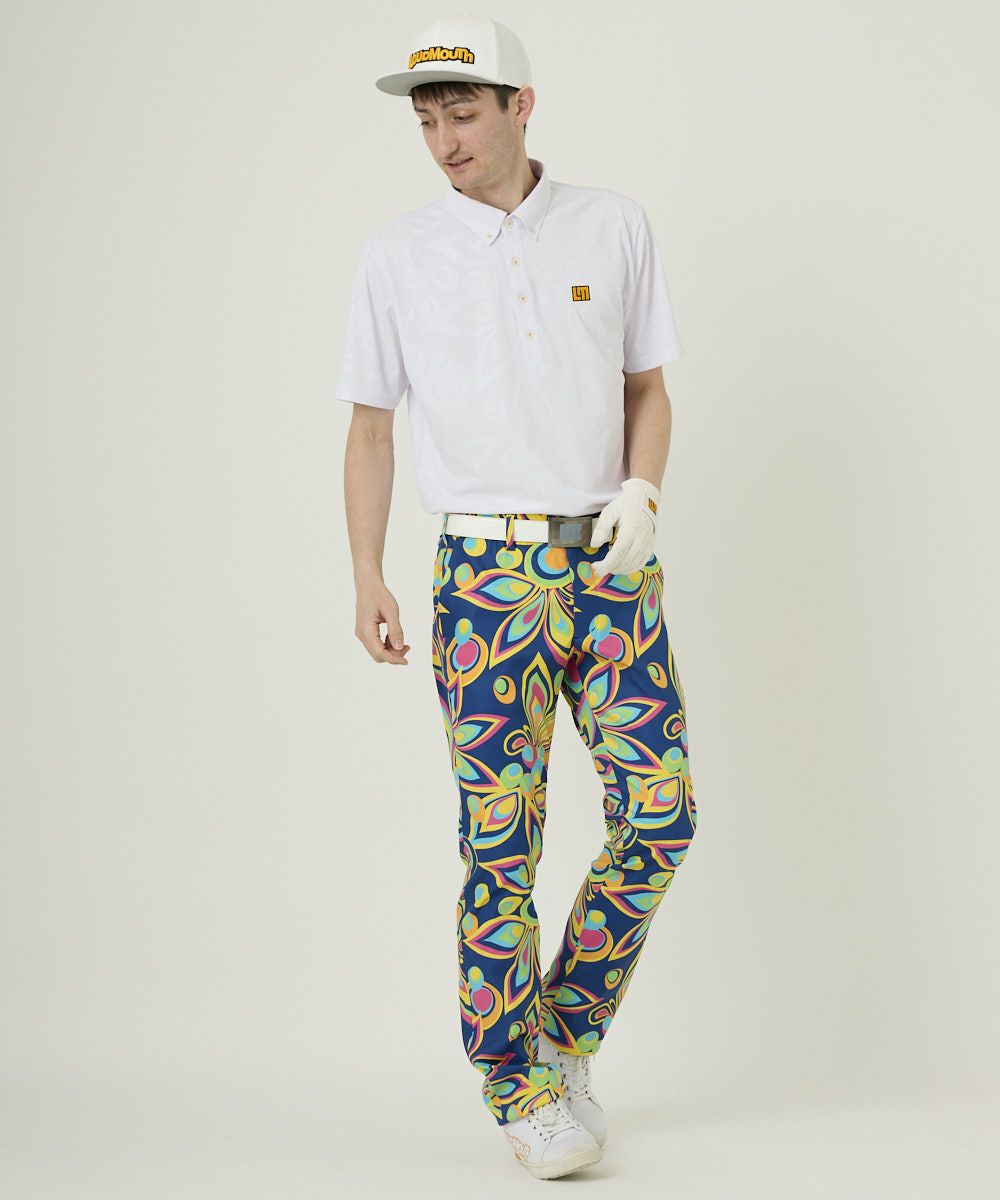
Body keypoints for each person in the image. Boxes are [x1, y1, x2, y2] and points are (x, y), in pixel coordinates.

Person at [336, 13, 698, 1180]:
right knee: (502, 844)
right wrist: (368, 572)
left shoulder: (611, 225)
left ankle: (561, 1034)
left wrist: (643, 490)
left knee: (660, 815)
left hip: (610, 562)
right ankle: (515, 1084)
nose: (445, 137)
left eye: (464, 111)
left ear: (519, 106)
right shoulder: (397, 256)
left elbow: (647, 386)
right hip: (484, 581)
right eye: (426, 119)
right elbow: (371, 426)